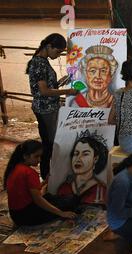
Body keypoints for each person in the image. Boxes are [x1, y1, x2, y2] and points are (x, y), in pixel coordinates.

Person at [26, 33, 78, 180]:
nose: (58, 55)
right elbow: (43, 91)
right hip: (45, 109)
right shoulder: (39, 63)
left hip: (46, 107)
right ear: (49, 46)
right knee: (50, 143)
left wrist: (60, 82)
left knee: (49, 141)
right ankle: (46, 174)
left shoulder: (41, 60)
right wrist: (67, 91)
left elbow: (45, 86)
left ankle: (47, 173)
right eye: (57, 51)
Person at [4, 140, 77, 227]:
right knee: (71, 200)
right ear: (25, 156)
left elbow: (29, 191)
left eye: (40, 156)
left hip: (16, 214)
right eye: (36, 156)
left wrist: (44, 183)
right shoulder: (29, 172)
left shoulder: (14, 167)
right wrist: (61, 213)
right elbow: (38, 200)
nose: (39, 160)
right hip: (26, 217)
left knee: (51, 197)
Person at [57, 131, 108, 207]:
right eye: (76, 154)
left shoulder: (100, 190)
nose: (78, 159)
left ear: (95, 159)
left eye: (85, 154)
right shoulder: (64, 187)